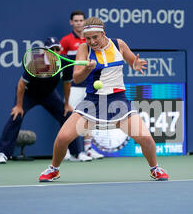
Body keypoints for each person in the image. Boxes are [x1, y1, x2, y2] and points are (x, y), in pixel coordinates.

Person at [39, 17, 169, 182]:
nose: (92, 41)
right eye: (88, 38)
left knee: (146, 139)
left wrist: (135, 64)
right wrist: (87, 69)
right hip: (92, 103)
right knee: (62, 138)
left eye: (95, 37)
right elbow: (77, 79)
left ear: (103, 33)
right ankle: (54, 169)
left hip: (118, 102)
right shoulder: (83, 49)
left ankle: (155, 168)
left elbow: (131, 61)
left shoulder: (118, 44)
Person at [0, 37, 81, 164]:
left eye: (57, 49)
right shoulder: (36, 62)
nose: (55, 51)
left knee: (67, 115)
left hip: (49, 95)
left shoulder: (64, 63)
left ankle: (76, 153)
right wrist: (18, 105)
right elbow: (21, 84)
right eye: (52, 49)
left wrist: (67, 104)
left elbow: (66, 83)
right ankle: (2, 153)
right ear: (45, 51)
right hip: (30, 94)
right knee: (16, 116)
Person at [60, 10, 104, 161]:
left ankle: (88, 149)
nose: (78, 23)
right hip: (73, 85)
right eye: (76, 20)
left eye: (81, 20)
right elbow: (61, 61)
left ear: (85, 22)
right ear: (71, 23)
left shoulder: (90, 40)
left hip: (90, 85)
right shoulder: (66, 41)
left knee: (90, 117)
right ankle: (65, 149)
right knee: (68, 116)